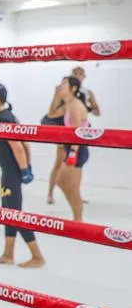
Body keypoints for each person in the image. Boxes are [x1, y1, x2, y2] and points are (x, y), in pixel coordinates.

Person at [0, 84, 45, 268]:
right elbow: (25, 143)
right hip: (8, 174)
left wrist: (25, 170)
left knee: (15, 215)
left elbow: (17, 146)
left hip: (11, 175)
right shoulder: (7, 116)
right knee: (8, 213)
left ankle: (37, 256)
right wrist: (27, 167)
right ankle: (8, 254)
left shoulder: (5, 119)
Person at [43, 66, 100, 205]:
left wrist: (90, 107)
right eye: (76, 74)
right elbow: (51, 114)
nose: (79, 76)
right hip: (62, 130)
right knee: (59, 163)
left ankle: (76, 197)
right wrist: (57, 96)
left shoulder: (85, 95)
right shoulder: (64, 93)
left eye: (81, 74)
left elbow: (96, 112)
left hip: (76, 135)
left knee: (73, 168)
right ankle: (51, 194)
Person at [54, 75, 90, 222]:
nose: (60, 86)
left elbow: (77, 131)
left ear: (73, 88)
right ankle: (77, 218)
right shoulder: (68, 104)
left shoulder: (75, 105)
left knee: (72, 188)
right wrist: (56, 96)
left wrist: (73, 153)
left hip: (77, 149)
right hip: (72, 148)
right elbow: (51, 114)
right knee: (61, 182)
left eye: (64, 84)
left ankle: (78, 220)